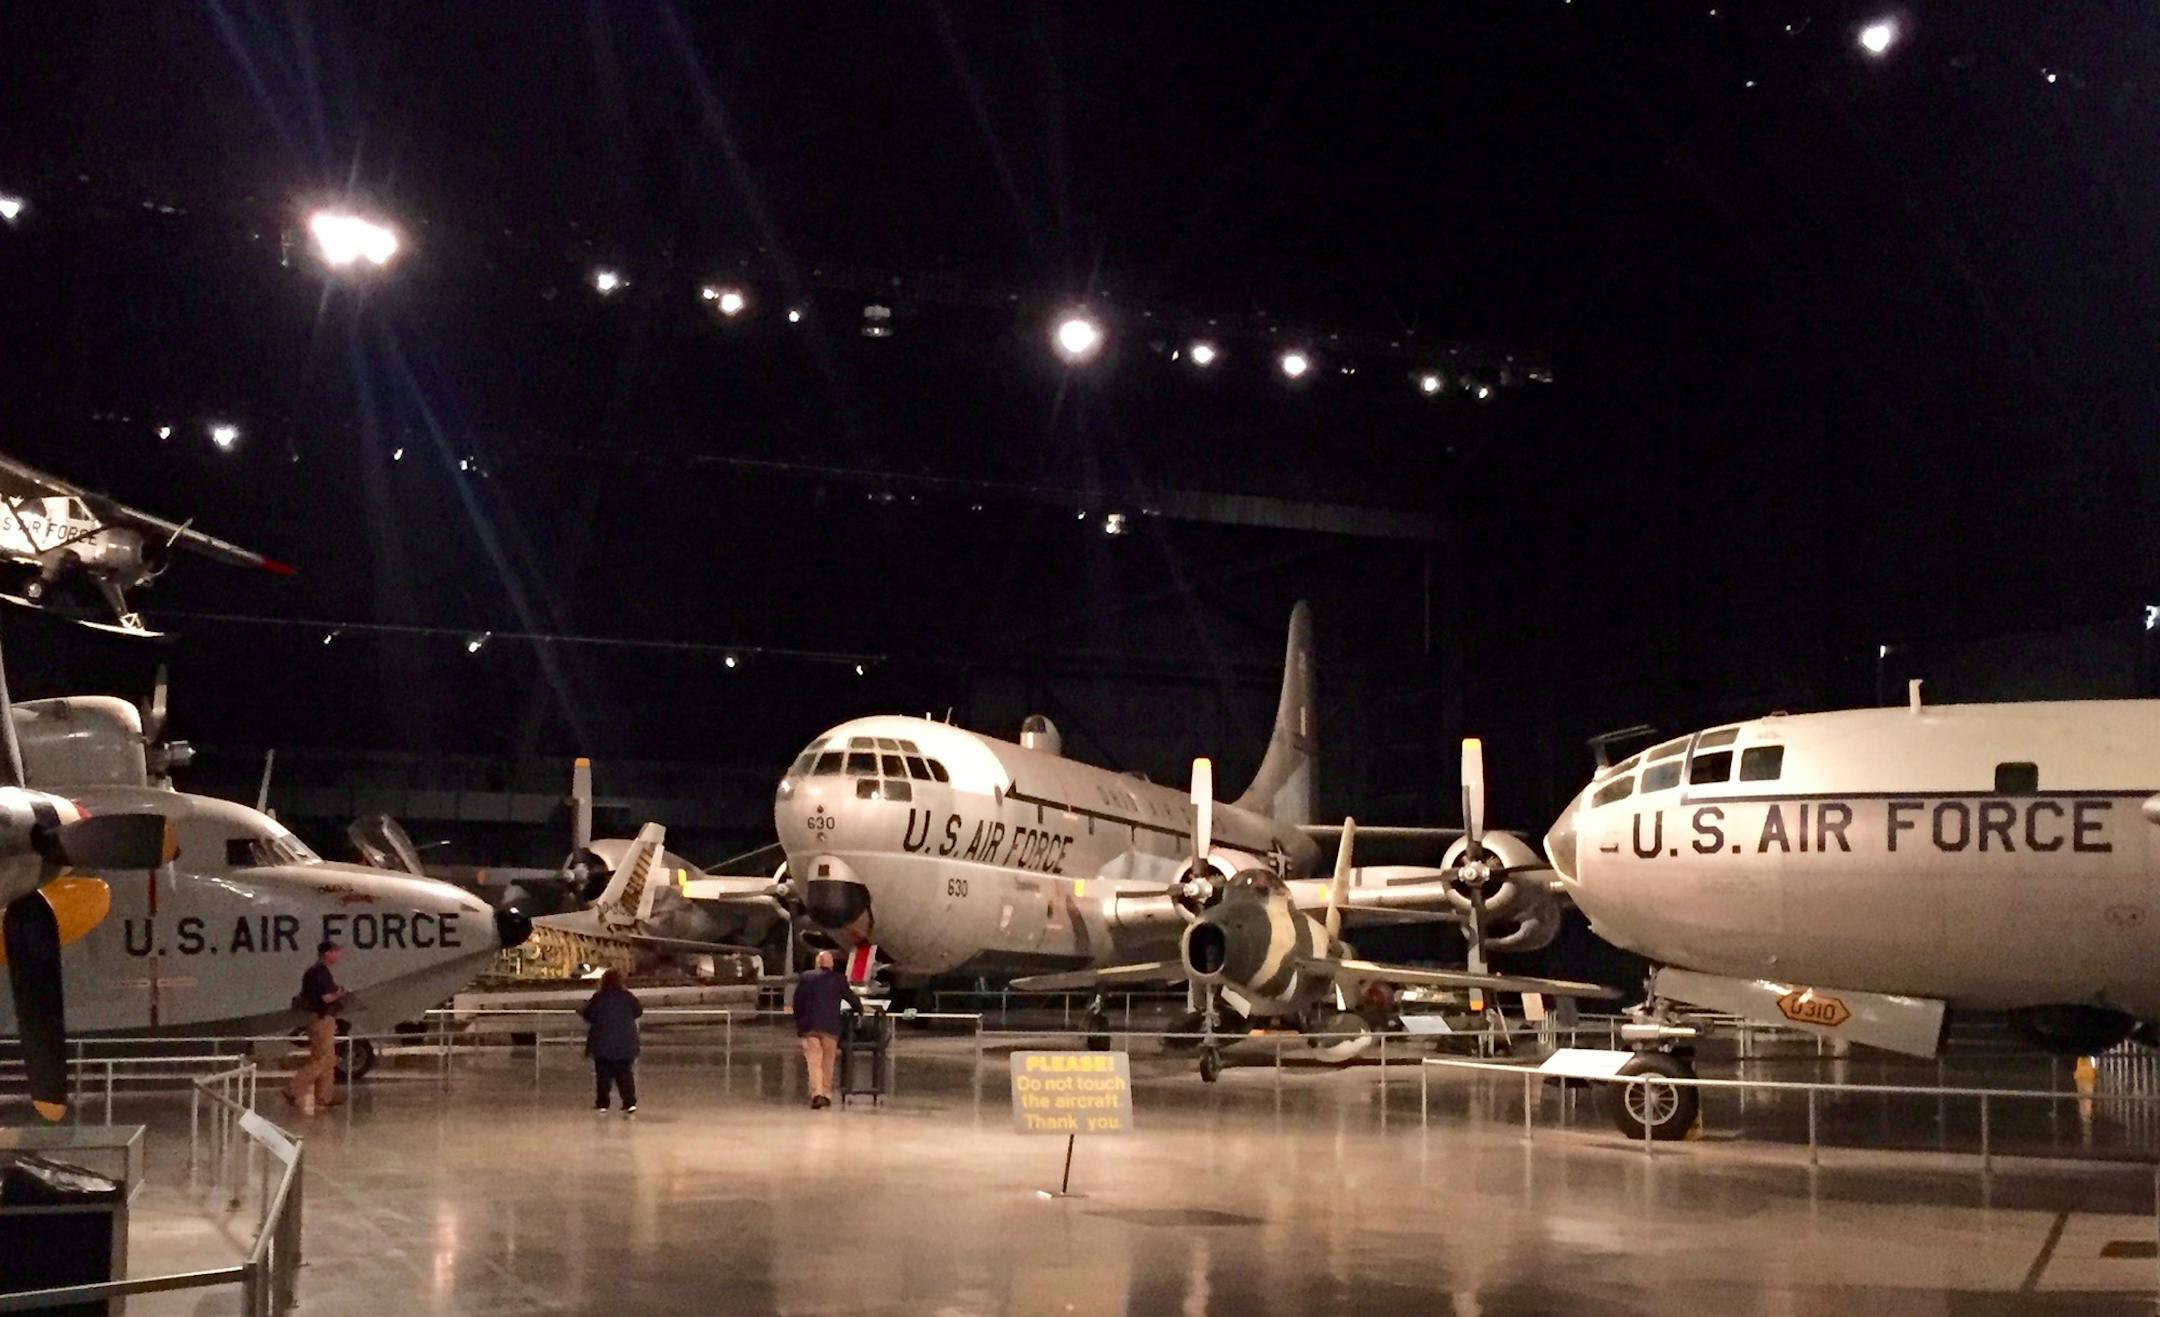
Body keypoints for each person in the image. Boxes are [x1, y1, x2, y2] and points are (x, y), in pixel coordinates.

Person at [793, 950, 862, 1110]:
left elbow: (797, 1002)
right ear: (831, 964)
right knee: (828, 1062)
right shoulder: (838, 979)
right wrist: (859, 1009)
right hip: (830, 1027)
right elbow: (851, 998)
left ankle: (817, 1094)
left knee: (814, 1061)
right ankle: (826, 1093)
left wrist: (799, 1023)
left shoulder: (806, 978)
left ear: (817, 963)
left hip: (809, 1027)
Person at [287, 941, 346, 1115]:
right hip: (321, 1018)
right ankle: (294, 1087)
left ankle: (325, 1095)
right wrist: (340, 993)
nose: (339, 956)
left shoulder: (317, 972)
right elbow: (326, 998)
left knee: (328, 1057)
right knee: (322, 1058)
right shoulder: (319, 973)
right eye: (336, 952)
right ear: (327, 953)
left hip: (321, 1018)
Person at [579, 969, 643, 1115]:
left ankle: (603, 1103)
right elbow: (638, 1011)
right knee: (625, 1074)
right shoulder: (628, 997)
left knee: (603, 1075)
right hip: (625, 1043)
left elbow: (588, 1014)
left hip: (602, 1043)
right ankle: (629, 1102)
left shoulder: (599, 997)